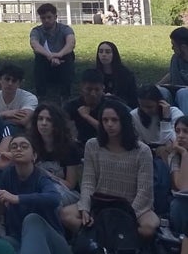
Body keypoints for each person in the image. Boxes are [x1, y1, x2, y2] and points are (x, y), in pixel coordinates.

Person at [0, 135, 73, 254]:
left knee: (32, 219)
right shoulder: (7, 175)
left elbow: (54, 198)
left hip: (54, 250)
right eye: (14, 146)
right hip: (19, 244)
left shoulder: (41, 177)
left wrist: (17, 198)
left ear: (34, 156)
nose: (18, 149)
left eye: (24, 146)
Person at [60, 99, 159, 239]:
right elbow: (88, 182)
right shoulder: (92, 145)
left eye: (114, 120)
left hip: (132, 207)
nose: (109, 124)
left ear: (123, 121)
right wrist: (85, 209)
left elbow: (144, 191)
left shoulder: (142, 150)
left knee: (148, 227)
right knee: (66, 214)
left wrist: (127, 215)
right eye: (105, 120)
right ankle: (100, 241)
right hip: (100, 204)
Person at [28, 103, 82, 207]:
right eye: (40, 119)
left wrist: (46, 174)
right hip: (39, 188)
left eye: (49, 120)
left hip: (65, 192)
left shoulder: (70, 148)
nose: (43, 123)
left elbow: (70, 184)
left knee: (48, 198)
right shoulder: (30, 144)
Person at [29, 3, 76, 98]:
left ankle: (66, 94)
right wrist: (49, 56)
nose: (46, 20)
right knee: (39, 57)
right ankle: (41, 94)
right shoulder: (36, 31)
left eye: (49, 17)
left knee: (69, 55)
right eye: (43, 18)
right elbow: (35, 44)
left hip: (63, 61)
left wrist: (59, 54)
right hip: (45, 62)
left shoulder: (65, 29)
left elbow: (71, 43)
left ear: (55, 17)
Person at [63, 69, 108, 144]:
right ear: (82, 87)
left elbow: (108, 131)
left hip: (104, 144)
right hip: (80, 145)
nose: (93, 94)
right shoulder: (71, 106)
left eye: (97, 90)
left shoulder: (110, 106)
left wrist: (87, 116)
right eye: (89, 89)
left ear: (103, 88)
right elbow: (59, 125)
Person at [0, 63, 38, 130]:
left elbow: (23, 120)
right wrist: (5, 114)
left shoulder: (29, 98)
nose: (10, 83)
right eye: (7, 79)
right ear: (0, 80)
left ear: (20, 83)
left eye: (14, 81)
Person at [96, 41, 138, 109]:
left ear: (114, 54)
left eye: (108, 52)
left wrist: (113, 98)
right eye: (100, 51)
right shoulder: (95, 73)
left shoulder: (126, 75)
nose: (103, 54)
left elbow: (132, 98)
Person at [157, 27, 188, 115]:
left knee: (183, 93)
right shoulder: (176, 58)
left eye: (174, 45)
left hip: (185, 94)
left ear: (183, 47)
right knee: (161, 91)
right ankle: (167, 120)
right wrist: (157, 85)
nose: (172, 48)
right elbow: (171, 73)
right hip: (175, 91)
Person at [167, 117, 188, 235]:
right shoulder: (175, 156)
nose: (180, 136)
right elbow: (182, 187)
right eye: (177, 131)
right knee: (179, 204)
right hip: (183, 204)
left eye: (186, 131)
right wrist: (184, 154)